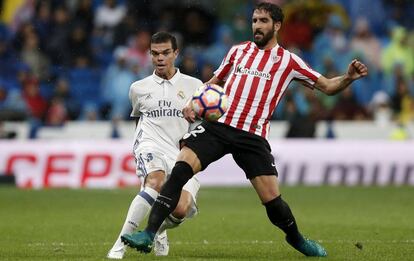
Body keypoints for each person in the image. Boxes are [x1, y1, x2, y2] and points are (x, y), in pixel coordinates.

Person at [121, 2, 368, 257]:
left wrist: (348, 77)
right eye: (254, 21)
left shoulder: (289, 62)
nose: (257, 26)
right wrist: (194, 102)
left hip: (252, 136)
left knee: (272, 202)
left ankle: (296, 239)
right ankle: (148, 233)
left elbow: (327, 86)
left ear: (277, 25)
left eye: (262, 21)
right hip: (219, 126)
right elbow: (214, 82)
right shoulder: (238, 52)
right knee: (180, 168)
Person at [107, 32, 202, 259]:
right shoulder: (138, 88)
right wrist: (142, 148)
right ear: (150, 55)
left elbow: (201, 123)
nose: (160, 58)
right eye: (155, 53)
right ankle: (118, 246)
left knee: (181, 209)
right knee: (155, 181)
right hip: (150, 144)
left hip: (181, 152)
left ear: (176, 53)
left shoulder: (194, 85)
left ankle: (157, 230)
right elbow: (138, 118)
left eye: (165, 53)